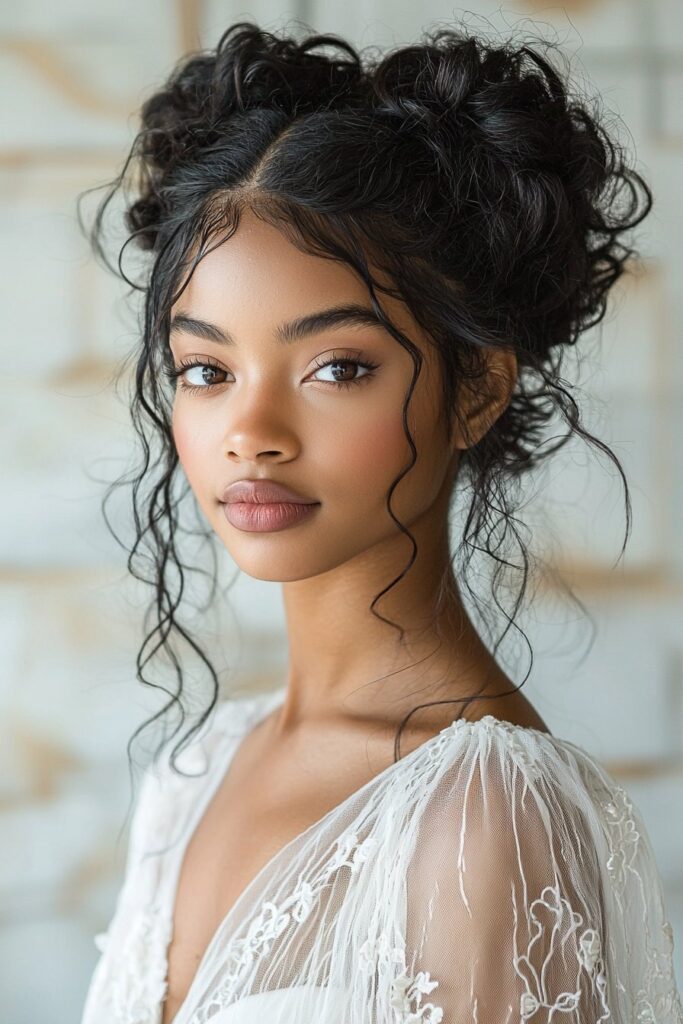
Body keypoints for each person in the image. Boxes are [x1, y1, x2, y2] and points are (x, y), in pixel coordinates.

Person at [78, 19, 683, 1024]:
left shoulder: (480, 818)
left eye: (336, 368)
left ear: (478, 388)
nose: (251, 432)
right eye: (206, 370)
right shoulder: (197, 770)